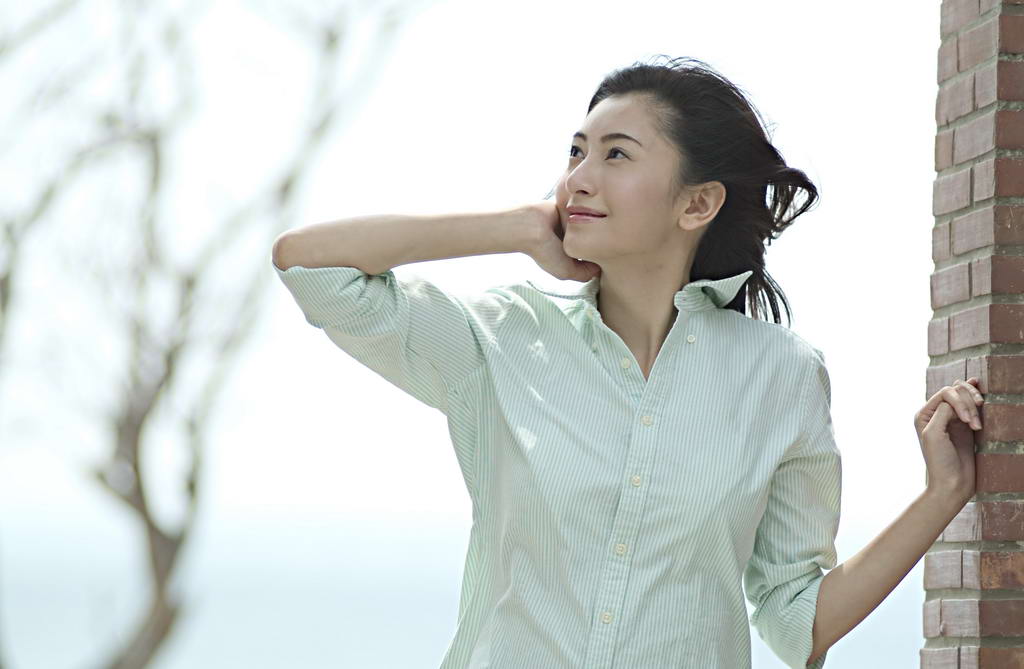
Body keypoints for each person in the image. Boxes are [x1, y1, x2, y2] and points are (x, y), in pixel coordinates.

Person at [272, 55, 844, 668]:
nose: (579, 179)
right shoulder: (503, 337)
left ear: (697, 204)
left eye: (616, 154)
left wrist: (924, 505)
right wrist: (515, 228)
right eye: (576, 152)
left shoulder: (782, 375)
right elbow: (308, 264)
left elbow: (796, 619)